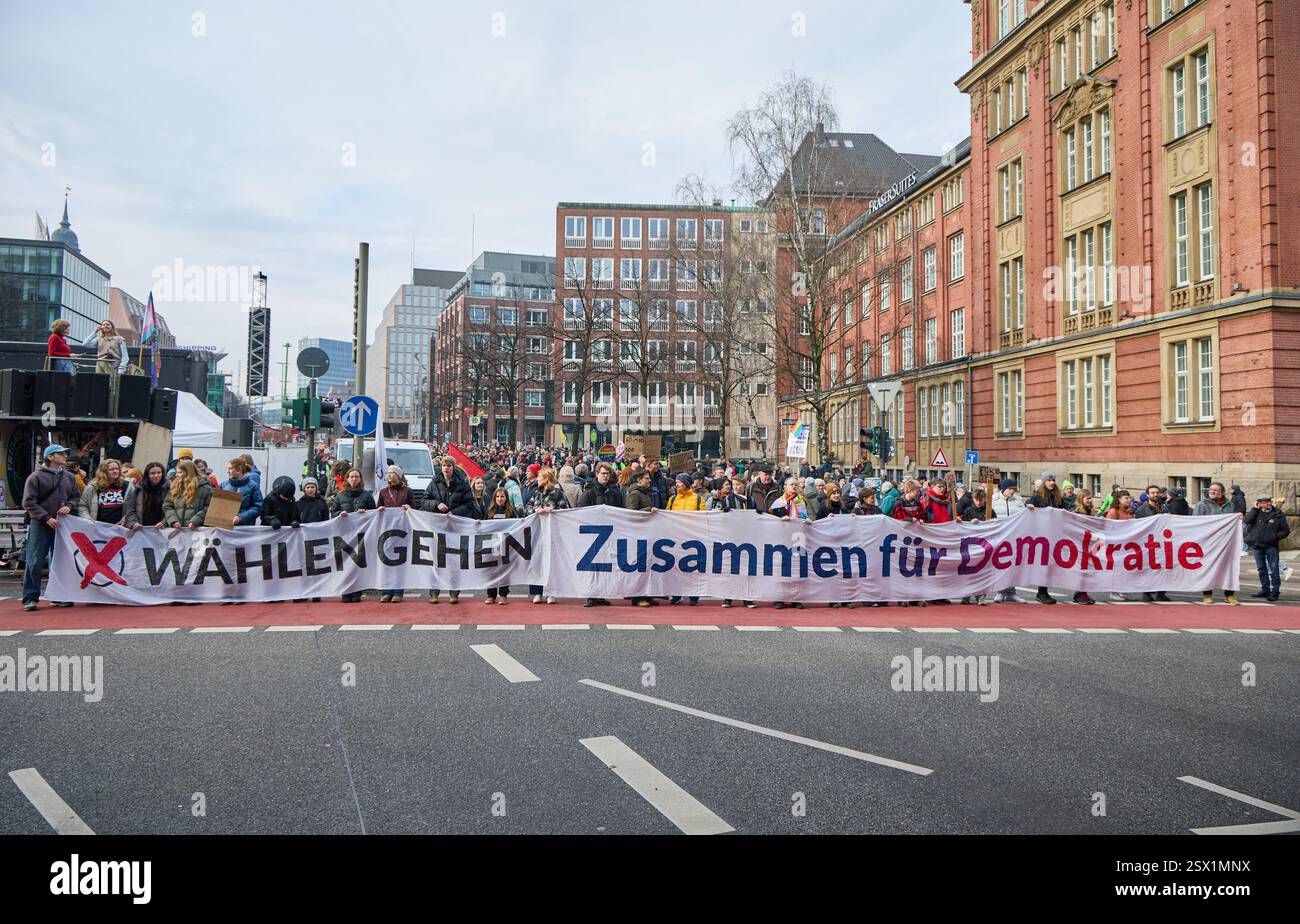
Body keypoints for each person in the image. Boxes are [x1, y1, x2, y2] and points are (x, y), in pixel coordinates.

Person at [20, 444, 80, 611]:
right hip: (40, 524)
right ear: (50, 457)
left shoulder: (69, 477)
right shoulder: (35, 477)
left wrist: (69, 506)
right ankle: (30, 597)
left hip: (61, 525)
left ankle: (58, 595)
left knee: (59, 562)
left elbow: (76, 497)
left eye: (64, 453)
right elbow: (28, 502)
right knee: (34, 561)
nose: (64, 456)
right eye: (60, 454)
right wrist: (46, 518)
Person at [1027, 473, 1093, 605]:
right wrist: (1030, 506)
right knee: (1045, 563)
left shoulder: (1057, 497)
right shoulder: (1038, 497)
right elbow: (1029, 503)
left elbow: (1065, 510)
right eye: (1049, 480)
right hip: (1043, 535)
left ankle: (1077, 592)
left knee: (1058, 563)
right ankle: (1042, 592)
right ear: (1045, 482)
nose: (1051, 482)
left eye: (1053, 480)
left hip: (1057, 534)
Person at [422, 457, 476, 604]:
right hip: (437, 526)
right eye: (444, 465)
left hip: (454, 527)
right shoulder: (435, 482)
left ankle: (454, 592)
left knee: (454, 560)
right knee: (436, 559)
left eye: (448, 466)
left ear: (453, 467)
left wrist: (455, 513)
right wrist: (436, 504)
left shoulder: (462, 483)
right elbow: (424, 500)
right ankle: (434, 592)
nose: (446, 468)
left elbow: (469, 503)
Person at [578, 463, 623, 607]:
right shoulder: (589, 493)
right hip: (592, 535)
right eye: (603, 473)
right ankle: (591, 595)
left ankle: (601, 594)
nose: (605, 476)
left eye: (608, 474)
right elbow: (581, 512)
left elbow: (621, 511)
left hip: (609, 534)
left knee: (605, 566)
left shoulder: (614, 493)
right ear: (597, 474)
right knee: (592, 568)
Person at [330, 468, 376, 603]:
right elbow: (333, 512)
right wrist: (339, 514)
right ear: (347, 479)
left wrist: (365, 512)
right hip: (344, 534)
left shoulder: (367, 496)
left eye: (356, 477)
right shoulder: (340, 495)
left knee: (358, 563)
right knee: (344, 563)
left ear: (360, 479)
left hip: (361, 534)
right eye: (351, 477)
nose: (354, 479)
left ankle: (356, 591)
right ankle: (346, 590)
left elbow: (373, 514)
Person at [524, 467, 568, 604]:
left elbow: (566, 509)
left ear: (546, 478)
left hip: (552, 533)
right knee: (537, 562)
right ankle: (537, 592)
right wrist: (534, 510)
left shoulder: (557, 492)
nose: (537, 479)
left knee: (551, 563)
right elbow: (526, 508)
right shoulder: (537, 492)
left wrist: (552, 510)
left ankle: (551, 592)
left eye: (540, 477)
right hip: (538, 532)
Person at [1192, 482, 1239, 605]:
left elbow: (1234, 522)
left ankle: (1230, 594)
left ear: (1222, 492)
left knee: (1229, 568)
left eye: (1216, 490)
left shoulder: (1231, 505)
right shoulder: (1202, 505)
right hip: (1209, 543)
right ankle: (1207, 594)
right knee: (1208, 568)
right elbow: (1195, 522)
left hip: (1227, 542)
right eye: (1211, 489)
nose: (1212, 491)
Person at [766, 477, 809, 610]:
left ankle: (795, 598)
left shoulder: (802, 501)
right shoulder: (779, 502)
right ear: (785, 487)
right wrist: (780, 519)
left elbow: (803, 516)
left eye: (796, 484)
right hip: (782, 539)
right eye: (792, 484)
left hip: (798, 537)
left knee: (796, 568)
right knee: (781, 568)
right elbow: (771, 520)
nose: (794, 486)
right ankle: (779, 598)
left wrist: (807, 520)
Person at [666, 475, 705, 605]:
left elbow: (703, 518)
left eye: (679, 482)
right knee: (676, 567)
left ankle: (694, 595)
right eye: (676, 483)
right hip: (676, 538)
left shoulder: (698, 499)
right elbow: (666, 517)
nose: (676, 485)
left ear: (686, 484)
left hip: (692, 538)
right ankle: (677, 594)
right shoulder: (672, 499)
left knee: (693, 567)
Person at [1244, 493, 1289, 602]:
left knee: (1274, 570)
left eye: (1269, 501)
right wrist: (1254, 509)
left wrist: (1274, 537)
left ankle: (1275, 592)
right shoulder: (1256, 512)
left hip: (1271, 546)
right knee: (1261, 569)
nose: (1269, 503)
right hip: (1257, 546)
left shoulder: (1278, 514)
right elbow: (1247, 521)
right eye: (1265, 501)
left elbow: (1286, 530)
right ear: (1259, 503)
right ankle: (1265, 589)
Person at [990, 478, 1027, 603]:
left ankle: (1011, 592)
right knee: (1000, 564)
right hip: (999, 536)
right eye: (1010, 489)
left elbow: (1024, 516)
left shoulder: (1018, 500)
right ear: (1004, 489)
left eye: (1014, 489)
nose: (1012, 491)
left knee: (1012, 564)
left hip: (1014, 537)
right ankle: (1000, 591)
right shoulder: (994, 499)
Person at [482, 487, 519, 605]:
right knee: (492, 570)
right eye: (497, 496)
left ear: (506, 498)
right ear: (494, 498)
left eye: (502, 496)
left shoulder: (511, 511)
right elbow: (483, 526)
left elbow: (516, 526)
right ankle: (491, 595)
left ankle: (503, 594)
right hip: (492, 545)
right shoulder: (489, 510)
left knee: (504, 570)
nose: (500, 499)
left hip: (506, 545)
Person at [77, 459, 136, 528]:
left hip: (121, 529)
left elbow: (133, 507)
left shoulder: (128, 486)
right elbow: (82, 506)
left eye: (117, 469)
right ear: (104, 472)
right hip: (97, 529)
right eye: (111, 469)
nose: (115, 471)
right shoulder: (92, 487)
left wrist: (125, 520)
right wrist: (88, 519)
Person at [164, 460, 213, 529]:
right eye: (176, 472)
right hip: (178, 531)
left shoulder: (206, 489)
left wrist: (196, 520)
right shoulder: (174, 487)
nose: (176, 475)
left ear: (188, 472)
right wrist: (173, 521)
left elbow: (209, 507)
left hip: (198, 531)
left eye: (180, 472)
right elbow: (167, 506)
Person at [221, 458, 263, 529]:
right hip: (225, 528)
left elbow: (258, 507)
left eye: (230, 468)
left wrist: (241, 517)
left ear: (239, 469)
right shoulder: (223, 485)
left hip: (245, 529)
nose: (228, 471)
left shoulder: (253, 486)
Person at [131, 462, 170, 530]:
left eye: (159, 472)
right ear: (147, 475)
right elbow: (130, 508)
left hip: (162, 529)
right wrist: (133, 522)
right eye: (152, 473)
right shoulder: (138, 488)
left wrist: (165, 522)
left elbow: (172, 509)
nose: (156, 475)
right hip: (141, 529)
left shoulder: (169, 488)